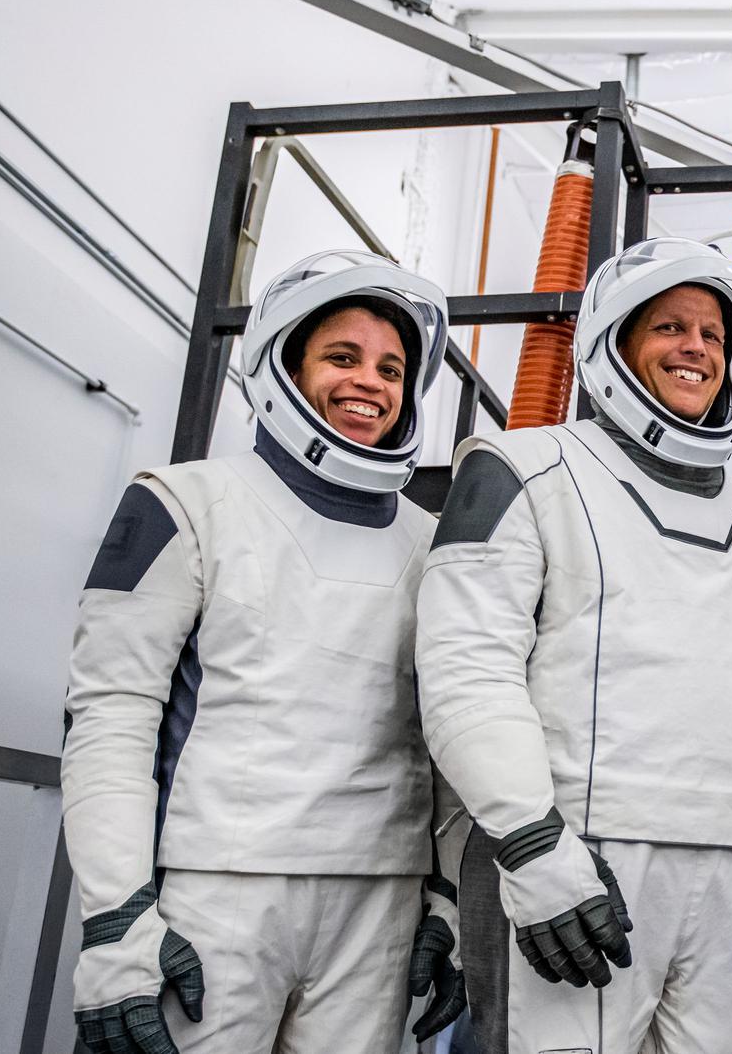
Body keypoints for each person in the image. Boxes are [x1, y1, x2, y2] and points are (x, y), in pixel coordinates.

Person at [416, 236, 732, 1053]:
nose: (695, 349)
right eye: (669, 329)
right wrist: (533, 847)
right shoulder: (520, 468)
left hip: (726, 880)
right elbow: (468, 669)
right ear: (612, 346)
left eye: (712, 336)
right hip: (571, 865)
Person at [61, 250, 466, 1054]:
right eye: (342, 358)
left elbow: (454, 731)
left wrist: (448, 901)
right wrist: (116, 918)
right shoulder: (185, 500)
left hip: (379, 906)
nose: (370, 384)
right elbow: (110, 717)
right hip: (212, 891)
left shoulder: (435, 544)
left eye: (391, 368)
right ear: (283, 363)